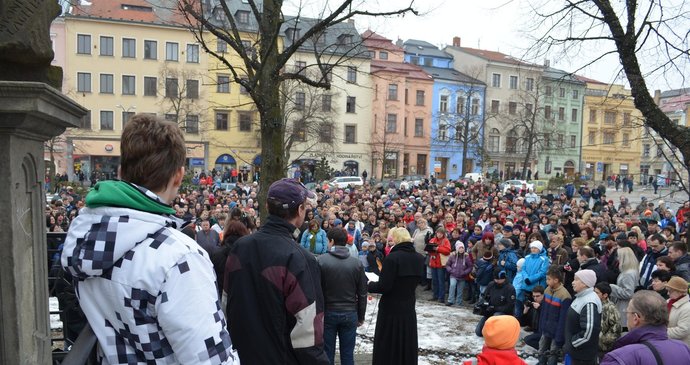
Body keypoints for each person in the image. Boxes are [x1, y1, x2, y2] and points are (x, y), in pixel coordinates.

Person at [61, 114, 237, 364]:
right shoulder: (179, 257)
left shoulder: (86, 238)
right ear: (179, 176)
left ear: (121, 173)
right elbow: (210, 359)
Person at [224, 178, 329, 364]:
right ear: (300, 210)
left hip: (240, 355)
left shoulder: (240, 247)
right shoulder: (300, 258)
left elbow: (226, 305)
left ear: (267, 205)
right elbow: (307, 331)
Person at [368, 227, 425, 365]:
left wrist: (369, 285)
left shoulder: (392, 258)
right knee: (406, 340)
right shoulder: (419, 258)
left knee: (388, 341)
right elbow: (421, 280)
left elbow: (384, 286)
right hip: (408, 305)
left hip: (391, 307)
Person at [318, 227, 367, 365]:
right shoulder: (356, 263)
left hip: (328, 312)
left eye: (328, 241)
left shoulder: (321, 261)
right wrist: (361, 315)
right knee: (347, 355)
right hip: (350, 312)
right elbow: (362, 293)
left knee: (327, 354)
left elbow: (317, 291)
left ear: (332, 241)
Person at [600, 290, 690, 364]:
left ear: (636, 318)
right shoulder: (683, 348)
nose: (626, 315)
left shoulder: (619, 358)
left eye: (627, 312)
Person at [563, 269, 601, 365]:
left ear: (584, 283)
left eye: (576, 280)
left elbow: (589, 332)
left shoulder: (590, 302)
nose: (572, 282)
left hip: (581, 357)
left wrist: (572, 344)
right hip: (575, 353)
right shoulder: (581, 297)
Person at [538, 266, 572, 365]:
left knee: (553, 355)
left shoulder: (564, 295)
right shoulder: (547, 290)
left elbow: (563, 319)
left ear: (556, 280)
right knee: (541, 351)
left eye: (548, 279)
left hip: (556, 331)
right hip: (545, 328)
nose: (546, 281)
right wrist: (541, 326)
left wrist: (559, 336)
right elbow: (543, 310)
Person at [475, 269, 516, 337]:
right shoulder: (491, 284)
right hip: (490, 311)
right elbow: (485, 297)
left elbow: (510, 306)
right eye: (495, 279)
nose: (496, 281)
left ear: (504, 278)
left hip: (503, 314)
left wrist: (495, 308)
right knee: (478, 332)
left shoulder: (510, 288)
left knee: (496, 315)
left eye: (498, 279)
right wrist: (482, 304)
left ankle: (496, 333)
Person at [608, 247, 639, 329]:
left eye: (619, 256)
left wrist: (612, 287)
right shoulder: (631, 270)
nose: (617, 259)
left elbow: (628, 293)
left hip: (624, 307)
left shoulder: (628, 274)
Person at [594, 282, 622, 357]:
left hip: (603, 348)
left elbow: (616, 328)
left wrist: (603, 340)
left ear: (605, 295)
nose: (594, 294)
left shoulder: (610, 308)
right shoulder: (594, 304)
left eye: (597, 293)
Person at [427, 227, 452, 302]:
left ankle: (441, 298)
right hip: (433, 263)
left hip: (441, 264)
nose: (439, 234)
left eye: (441, 233)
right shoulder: (432, 240)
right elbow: (428, 250)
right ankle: (435, 296)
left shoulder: (446, 241)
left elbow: (448, 251)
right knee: (434, 281)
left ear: (443, 234)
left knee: (441, 281)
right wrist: (431, 250)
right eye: (438, 233)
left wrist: (438, 249)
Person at [666, 275, 690, 347]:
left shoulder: (687, 308)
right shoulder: (668, 301)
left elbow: (682, 331)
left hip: (678, 347)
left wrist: (661, 332)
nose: (667, 293)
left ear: (680, 292)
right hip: (666, 342)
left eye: (670, 291)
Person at [446, 241, 473, 306]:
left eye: (462, 248)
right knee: (452, 286)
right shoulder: (453, 256)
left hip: (462, 276)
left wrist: (465, 272)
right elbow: (447, 265)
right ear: (457, 249)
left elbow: (470, 266)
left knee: (460, 290)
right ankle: (450, 300)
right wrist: (451, 270)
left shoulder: (466, 257)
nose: (461, 249)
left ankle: (459, 302)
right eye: (460, 248)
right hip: (453, 275)